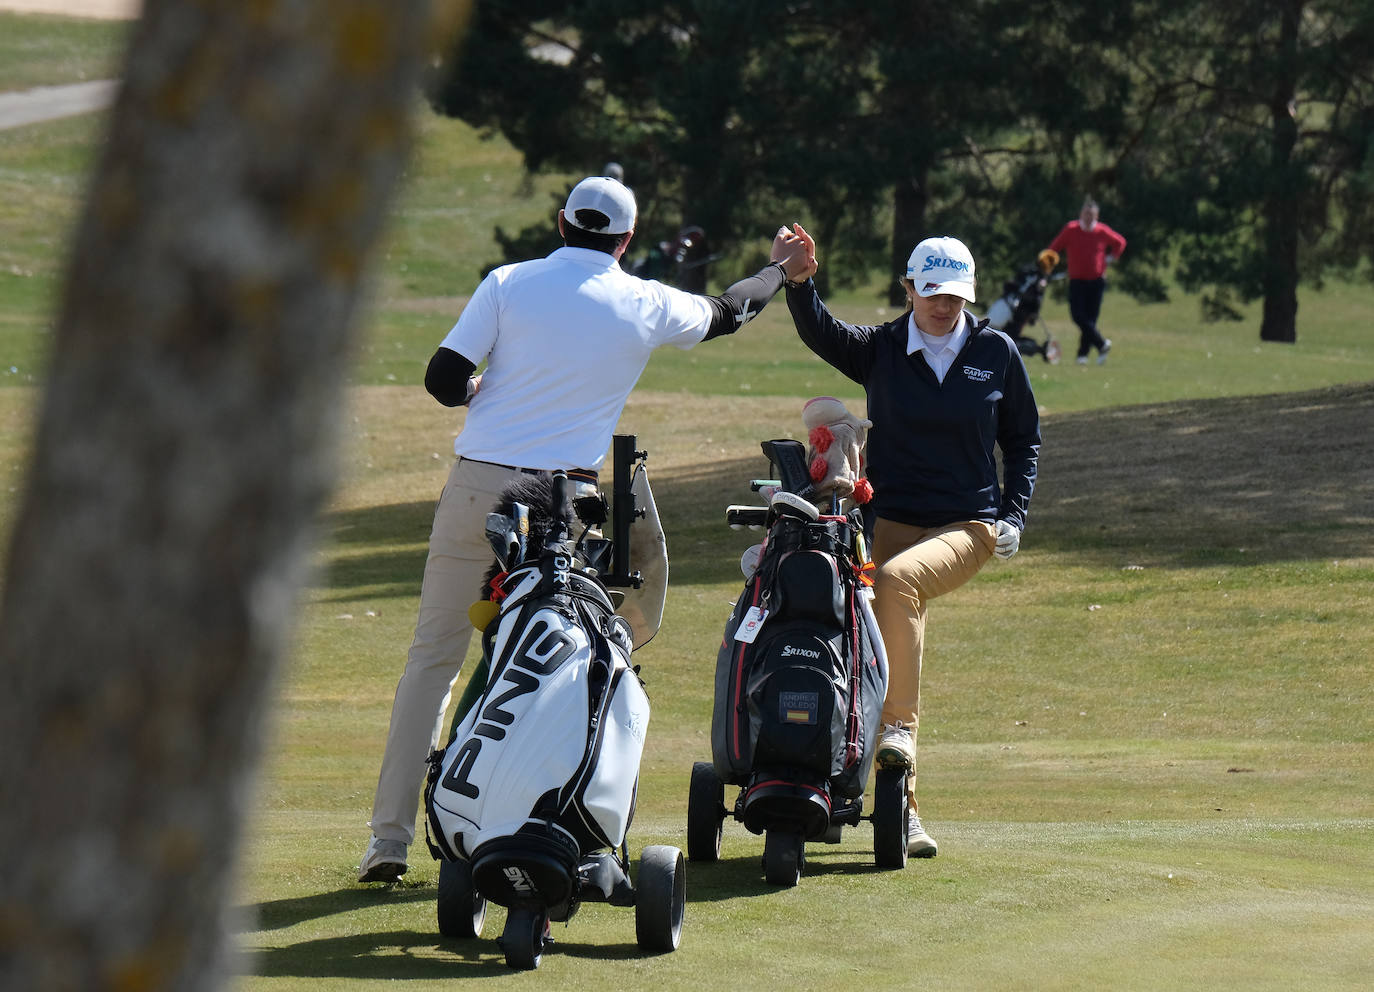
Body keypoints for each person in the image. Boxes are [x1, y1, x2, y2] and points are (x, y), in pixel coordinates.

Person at [357, 176, 814, 882]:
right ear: (626, 240)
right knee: (556, 662)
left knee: (433, 663)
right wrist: (780, 269)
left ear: (561, 222)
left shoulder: (508, 282)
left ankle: (390, 840)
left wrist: (478, 391)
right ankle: (532, 821)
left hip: (478, 488)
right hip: (564, 505)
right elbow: (729, 311)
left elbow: (443, 378)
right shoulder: (645, 300)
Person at [776, 227, 1040, 857]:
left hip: (967, 524)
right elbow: (822, 332)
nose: (944, 306)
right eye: (932, 293)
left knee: (897, 583)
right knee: (850, 631)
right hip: (887, 519)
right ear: (909, 290)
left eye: (955, 296)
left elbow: (1022, 439)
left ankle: (898, 738)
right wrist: (800, 283)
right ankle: (846, 789)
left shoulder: (997, 352)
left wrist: (1013, 515)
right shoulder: (883, 348)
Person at [1045, 196, 1127, 364]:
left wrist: (1110, 258)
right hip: (1077, 281)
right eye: (1086, 213)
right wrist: (1045, 266)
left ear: (1096, 216)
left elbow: (1120, 243)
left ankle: (1082, 355)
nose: (1088, 217)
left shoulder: (1101, 231)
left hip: (1097, 281)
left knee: (1091, 319)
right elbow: (1054, 248)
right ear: (1081, 214)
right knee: (1078, 316)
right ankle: (1102, 344)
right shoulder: (1071, 229)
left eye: (1091, 214)